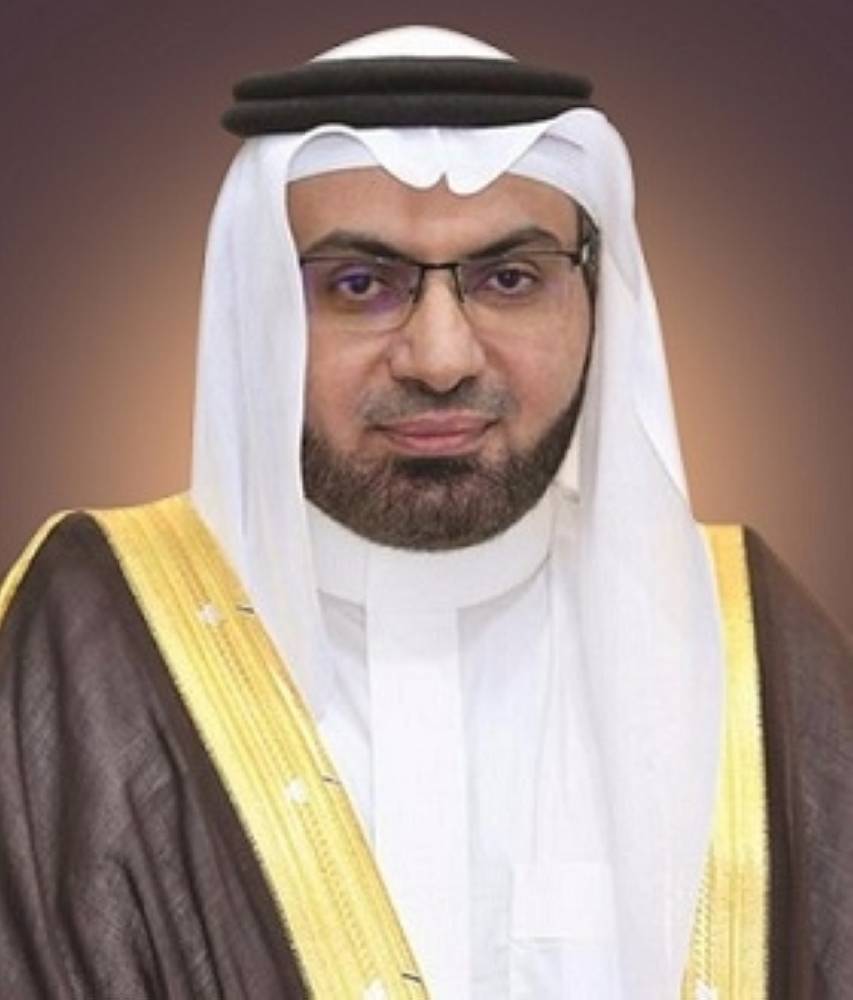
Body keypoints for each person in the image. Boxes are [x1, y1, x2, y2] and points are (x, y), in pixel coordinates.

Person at [1, 24, 851, 1000]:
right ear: (258, 311)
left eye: (509, 279)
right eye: (360, 285)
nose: (441, 357)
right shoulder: (102, 635)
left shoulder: (737, 637)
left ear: (592, 301)